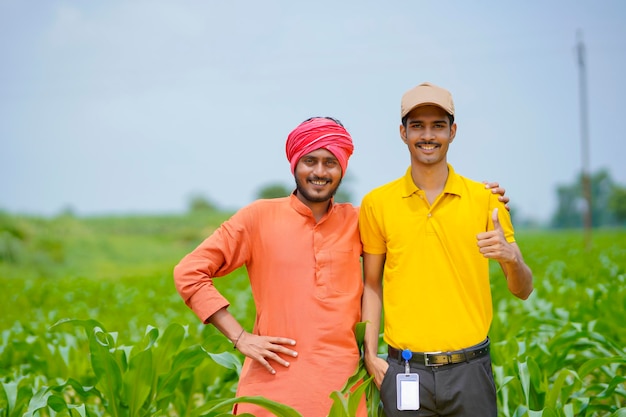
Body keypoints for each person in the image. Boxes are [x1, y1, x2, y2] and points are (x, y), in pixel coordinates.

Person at [173, 116, 509, 416]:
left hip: (345, 394)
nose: (320, 172)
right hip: (270, 389)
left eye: (330, 163)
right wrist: (240, 337)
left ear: (342, 168)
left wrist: (482, 198)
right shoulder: (258, 217)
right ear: (294, 163)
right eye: (310, 161)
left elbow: (419, 229)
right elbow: (190, 272)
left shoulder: (358, 220)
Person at [359, 82, 534, 416]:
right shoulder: (376, 204)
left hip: (470, 371)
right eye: (418, 126)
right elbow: (371, 285)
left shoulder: (486, 199)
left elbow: (523, 289)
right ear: (402, 132)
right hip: (404, 371)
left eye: (438, 125)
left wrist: (511, 258)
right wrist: (370, 356)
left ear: (453, 132)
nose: (428, 135)